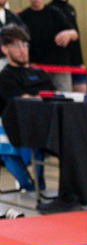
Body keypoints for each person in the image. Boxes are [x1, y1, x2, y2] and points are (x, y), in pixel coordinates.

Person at [0, 24, 49, 192]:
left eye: (24, 44)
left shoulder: (41, 73)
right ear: (5, 49)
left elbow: (52, 96)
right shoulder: (5, 77)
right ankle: (27, 184)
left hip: (42, 122)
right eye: (16, 45)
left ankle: (40, 185)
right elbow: (21, 102)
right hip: (13, 126)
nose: (22, 50)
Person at [18, 0, 76, 92]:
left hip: (59, 66)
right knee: (39, 98)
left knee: (65, 97)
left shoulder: (55, 13)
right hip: (36, 67)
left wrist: (68, 33)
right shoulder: (23, 16)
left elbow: (74, 34)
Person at [47, 0, 84, 93]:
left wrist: (81, 61)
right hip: (60, 62)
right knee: (65, 92)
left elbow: (76, 37)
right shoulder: (50, 9)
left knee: (83, 90)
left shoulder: (70, 8)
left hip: (75, 59)